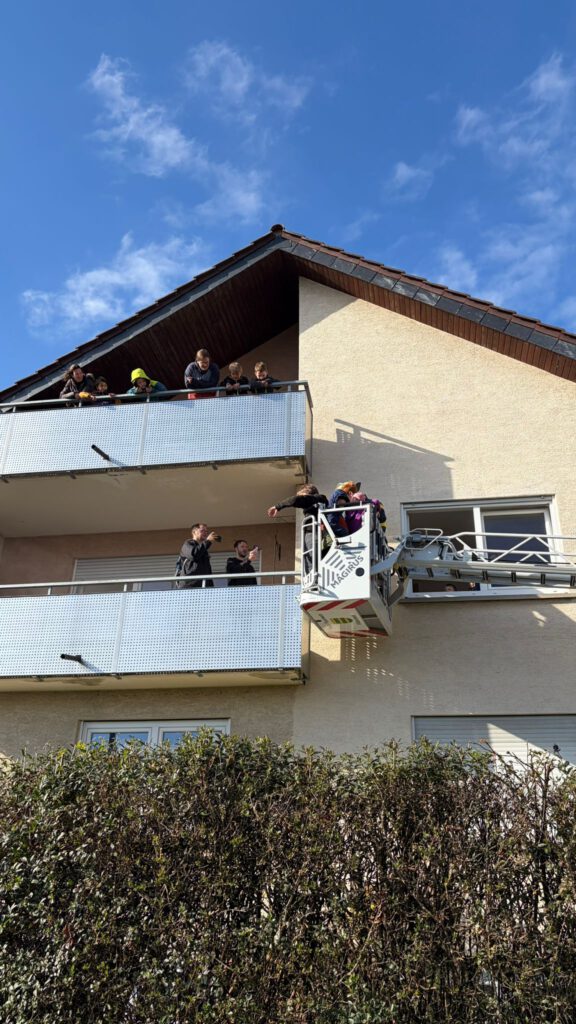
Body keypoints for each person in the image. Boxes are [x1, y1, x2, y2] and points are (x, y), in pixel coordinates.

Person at [177, 524, 220, 588]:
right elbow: (194, 555)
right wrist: (208, 541)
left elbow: (207, 570)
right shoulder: (188, 543)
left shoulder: (202, 549)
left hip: (204, 586)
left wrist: (210, 586)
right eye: (202, 531)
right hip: (189, 586)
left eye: (206, 531)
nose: (205, 533)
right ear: (194, 532)